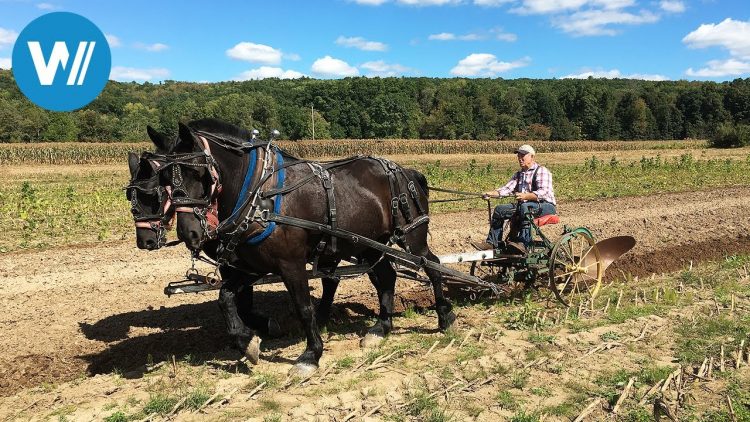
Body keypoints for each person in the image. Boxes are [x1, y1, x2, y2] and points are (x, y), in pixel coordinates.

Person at [471, 144, 557, 254]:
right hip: (525, 206)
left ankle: (523, 243)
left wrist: (526, 196)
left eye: (523, 156)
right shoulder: (519, 174)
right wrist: (490, 193)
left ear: (532, 157)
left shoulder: (541, 171)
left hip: (546, 205)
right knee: (500, 209)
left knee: (525, 207)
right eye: (519, 156)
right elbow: (506, 189)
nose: (520, 158)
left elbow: (544, 192)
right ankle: (492, 243)